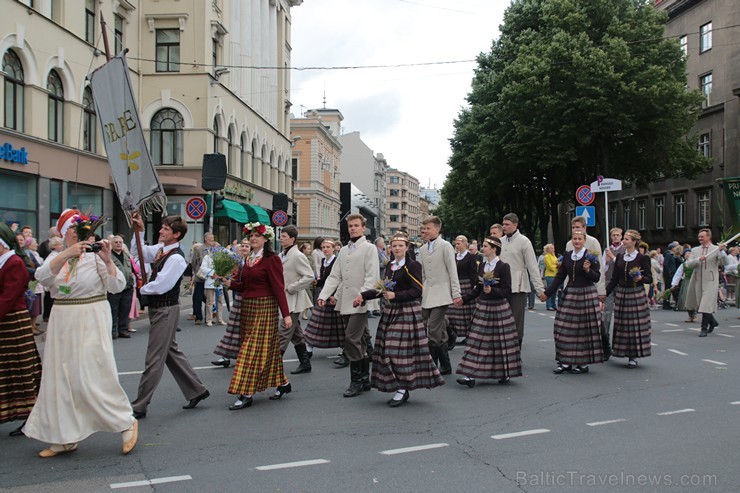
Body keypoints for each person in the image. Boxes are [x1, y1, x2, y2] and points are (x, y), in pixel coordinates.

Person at [23, 209, 138, 457]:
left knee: (92, 374)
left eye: (80, 229)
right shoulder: (56, 256)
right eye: (73, 230)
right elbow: (41, 278)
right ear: (66, 235)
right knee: (60, 378)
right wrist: (66, 254)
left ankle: (125, 421)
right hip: (62, 319)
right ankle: (64, 437)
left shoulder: (96, 256)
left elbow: (117, 286)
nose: (78, 233)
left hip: (91, 314)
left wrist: (108, 260)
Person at [129, 214, 210, 418]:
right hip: (159, 309)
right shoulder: (161, 250)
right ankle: (197, 390)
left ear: (176, 235)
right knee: (170, 351)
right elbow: (138, 252)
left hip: (165, 309)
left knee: (154, 358)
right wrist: (138, 231)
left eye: (165, 229)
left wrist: (141, 289)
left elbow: (161, 286)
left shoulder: (175, 258)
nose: (160, 231)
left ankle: (140, 405)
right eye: (162, 227)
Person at [359, 231, 443, 407]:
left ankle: (403, 388)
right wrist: (363, 296)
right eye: (394, 246)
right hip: (391, 312)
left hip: (407, 312)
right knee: (387, 350)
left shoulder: (412, 266)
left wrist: (395, 295)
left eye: (400, 246)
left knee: (395, 350)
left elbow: (417, 291)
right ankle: (399, 385)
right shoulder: (390, 265)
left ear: (406, 248)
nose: (397, 248)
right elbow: (382, 289)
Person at [223, 222, 293, 410]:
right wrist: (229, 283)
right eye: (251, 236)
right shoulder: (248, 259)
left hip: (265, 307)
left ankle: (246, 392)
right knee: (267, 350)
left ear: (266, 239)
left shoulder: (271, 259)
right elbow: (245, 286)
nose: (253, 239)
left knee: (250, 350)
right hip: (248, 309)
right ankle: (283, 383)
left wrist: (286, 315)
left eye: (257, 236)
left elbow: (278, 288)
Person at [318, 214, 379, 398]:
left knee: (351, 339)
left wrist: (363, 294)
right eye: (350, 226)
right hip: (345, 301)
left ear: (363, 228)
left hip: (360, 300)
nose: (352, 228)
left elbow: (372, 276)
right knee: (358, 341)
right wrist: (324, 294)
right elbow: (335, 276)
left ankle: (356, 381)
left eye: (356, 226)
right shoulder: (344, 250)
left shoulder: (369, 248)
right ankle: (364, 380)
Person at [457, 236, 521, 387]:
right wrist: (463, 299)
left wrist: (492, 290)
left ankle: (504, 372)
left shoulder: (503, 267)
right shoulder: (482, 266)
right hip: (483, 307)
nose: (482, 248)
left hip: (499, 309)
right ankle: (469, 375)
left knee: (500, 343)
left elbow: (507, 291)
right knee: (474, 340)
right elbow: (478, 289)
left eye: (485, 246)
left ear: (494, 249)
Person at [0, 223, 42, 438]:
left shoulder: (14, 262)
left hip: (14, 323)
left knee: (21, 370)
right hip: (4, 324)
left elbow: (8, 296)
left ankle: (32, 417)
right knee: (5, 372)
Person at [542, 229, 603, 374]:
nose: (576, 241)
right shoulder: (568, 256)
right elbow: (560, 277)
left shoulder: (590, 256)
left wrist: (588, 270)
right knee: (564, 328)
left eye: (579, 239)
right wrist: (547, 293)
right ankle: (565, 362)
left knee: (583, 331)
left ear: (584, 240)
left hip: (586, 294)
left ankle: (582, 363)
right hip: (570, 294)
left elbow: (596, 277)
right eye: (574, 239)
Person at [418, 216, 462, 375]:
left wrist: (456, 293)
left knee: (433, 329)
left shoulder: (445, 246)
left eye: (428, 228)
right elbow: (421, 274)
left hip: (442, 294)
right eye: (424, 229)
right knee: (439, 331)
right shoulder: (422, 249)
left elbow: (452, 271)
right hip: (427, 294)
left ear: (437, 229)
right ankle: (445, 365)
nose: (425, 231)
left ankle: (432, 366)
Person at [605, 230, 652, 368]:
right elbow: (614, 279)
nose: (623, 241)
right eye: (623, 238)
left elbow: (649, 278)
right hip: (622, 293)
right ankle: (621, 351)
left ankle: (633, 356)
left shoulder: (642, 258)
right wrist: (604, 294)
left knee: (634, 326)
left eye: (626, 239)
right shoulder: (620, 257)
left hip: (636, 293)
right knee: (622, 325)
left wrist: (640, 278)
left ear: (634, 242)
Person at [500, 213, 545, 346]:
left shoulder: (524, 241)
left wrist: (539, 289)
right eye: (503, 224)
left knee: (516, 320)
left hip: (518, 286)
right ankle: (504, 350)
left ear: (515, 225)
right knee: (502, 319)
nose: (504, 227)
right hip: (501, 286)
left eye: (507, 224)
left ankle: (516, 350)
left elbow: (532, 266)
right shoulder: (501, 241)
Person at [276, 225, 315, 374]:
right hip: (284, 299)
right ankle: (305, 363)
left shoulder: (298, 256)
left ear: (292, 239)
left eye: (284, 236)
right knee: (296, 334)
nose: (281, 238)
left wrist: (292, 287)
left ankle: (272, 367)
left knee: (283, 334)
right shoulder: (281, 255)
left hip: (293, 299)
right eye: (281, 235)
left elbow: (309, 276)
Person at [685, 229, 731, 337]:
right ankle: (713, 322)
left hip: (710, 280)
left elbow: (725, 263)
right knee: (700, 305)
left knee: (706, 304)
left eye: (702, 236)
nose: (700, 238)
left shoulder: (715, 249)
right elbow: (689, 264)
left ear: (708, 237)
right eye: (699, 236)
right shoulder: (695, 250)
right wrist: (698, 260)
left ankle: (704, 328)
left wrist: (722, 251)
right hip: (697, 280)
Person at [304, 239, 345, 361]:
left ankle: (345, 350)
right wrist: (316, 282)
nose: (325, 249)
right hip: (324, 296)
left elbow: (339, 280)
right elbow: (323, 279)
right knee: (315, 324)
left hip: (333, 298)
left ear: (333, 248)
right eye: (323, 247)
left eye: (328, 247)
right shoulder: (324, 261)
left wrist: (335, 295)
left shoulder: (336, 261)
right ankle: (309, 348)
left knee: (339, 327)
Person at [211, 240, 250, 368]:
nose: (244, 248)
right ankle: (225, 356)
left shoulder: (252, 262)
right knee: (232, 329)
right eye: (242, 246)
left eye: (247, 246)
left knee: (246, 330)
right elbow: (233, 277)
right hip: (239, 297)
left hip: (249, 299)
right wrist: (223, 277)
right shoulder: (238, 262)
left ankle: (245, 357)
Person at [446, 235, 477, 345]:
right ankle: (452, 333)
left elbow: (473, 274)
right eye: (456, 244)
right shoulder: (454, 256)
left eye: (459, 244)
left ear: (465, 244)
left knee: (466, 313)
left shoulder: (470, 257)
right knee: (452, 311)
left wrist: (473, 288)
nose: (457, 246)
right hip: (455, 284)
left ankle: (468, 335)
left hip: (466, 285)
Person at [108, 235, 134, 339]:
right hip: (115, 287)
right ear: (111, 244)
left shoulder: (126, 255)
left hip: (127, 286)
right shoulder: (109, 257)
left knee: (125, 310)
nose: (118, 244)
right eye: (116, 242)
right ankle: (113, 331)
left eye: (120, 242)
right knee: (113, 310)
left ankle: (122, 329)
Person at [199, 247, 227, 327]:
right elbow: (203, 268)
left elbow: (224, 268)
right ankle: (209, 319)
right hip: (210, 282)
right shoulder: (207, 257)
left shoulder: (222, 258)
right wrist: (213, 273)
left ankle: (220, 319)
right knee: (209, 302)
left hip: (219, 282)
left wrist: (222, 274)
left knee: (220, 301)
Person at [543, 244, 559, 310]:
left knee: (555, 291)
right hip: (549, 275)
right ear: (548, 249)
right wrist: (557, 266)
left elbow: (556, 263)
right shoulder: (546, 256)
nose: (553, 249)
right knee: (549, 290)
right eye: (551, 248)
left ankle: (553, 304)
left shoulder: (554, 256)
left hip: (555, 275)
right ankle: (548, 305)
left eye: (553, 248)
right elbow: (550, 266)